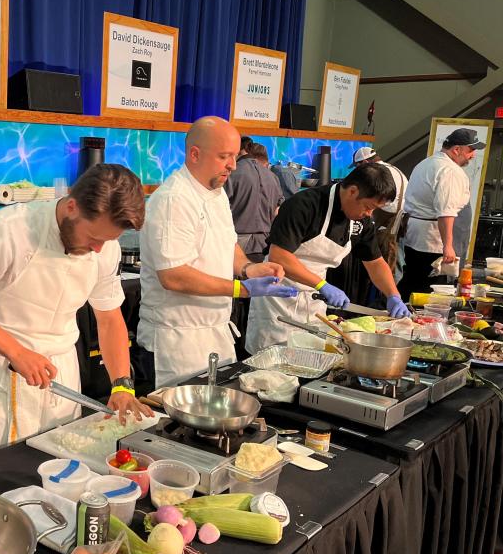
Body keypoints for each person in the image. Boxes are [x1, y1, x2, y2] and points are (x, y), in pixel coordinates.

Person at [0, 164, 152, 456]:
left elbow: (109, 317)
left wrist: (123, 385)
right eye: (94, 237)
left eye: (107, 241)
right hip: (0, 372)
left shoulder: (105, 248)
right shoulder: (8, 230)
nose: (99, 249)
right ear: (72, 207)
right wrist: (16, 351)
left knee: (61, 473)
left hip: (61, 376)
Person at [136, 117, 297, 388]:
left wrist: (249, 268)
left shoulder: (217, 192)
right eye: (224, 156)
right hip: (176, 342)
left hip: (215, 334)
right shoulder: (173, 199)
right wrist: (242, 289)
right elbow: (174, 276)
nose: (232, 166)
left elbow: (227, 243)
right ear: (195, 154)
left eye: (235, 156)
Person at [245, 164, 412, 353]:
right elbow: (279, 255)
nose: (368, 214)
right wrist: (322, 285)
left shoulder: (361, 221)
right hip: (278, 297)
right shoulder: (304, 205)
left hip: (315, 301)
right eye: (368, 207)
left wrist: (393, 295)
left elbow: (375, 262)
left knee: (310, 356)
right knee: (273, 360)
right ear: (352, 191)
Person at [398, 128, 485, 299]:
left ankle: (402, 314)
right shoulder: (449, 171)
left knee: (413, 280)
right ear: (456, 149)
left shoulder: (426, 163)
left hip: (415, 235)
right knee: (433, 290)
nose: (473, 155)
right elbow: (446, 212)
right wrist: (448, 246)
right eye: (470, 150)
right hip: (433, 241)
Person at [351, 146, 408, 280]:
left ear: (364, 163)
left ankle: (387, 297)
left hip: (390, 219)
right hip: (402, 218)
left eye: (357, 166)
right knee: (395, 258)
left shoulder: (378, 173)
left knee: (388, 260)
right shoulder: (394, 169)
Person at [225, 142, 283, 262]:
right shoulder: (273, 177)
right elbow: (278, 211)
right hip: (264, 245)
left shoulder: (230, 174)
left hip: (236, 247)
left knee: (235, 281)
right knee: (257, 280)